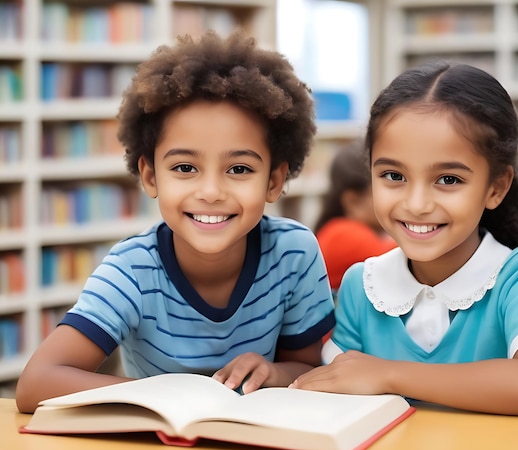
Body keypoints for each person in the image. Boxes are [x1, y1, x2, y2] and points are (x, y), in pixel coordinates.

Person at [15, 31, 335, 413]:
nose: (211, 192)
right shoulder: (132, 269)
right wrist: (170, 397)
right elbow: (37, 383)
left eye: (239, 168)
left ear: (274, 180)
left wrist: (274, 372)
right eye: (185, 168)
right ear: (150, 177)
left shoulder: (294, 253)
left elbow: (305, 366)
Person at [290, 61, 518, 417]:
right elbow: (333, 389)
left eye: (448, 180)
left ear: (496, 187)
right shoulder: (362, 286)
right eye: (393, 175)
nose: (417, 204)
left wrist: (389, 374)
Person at [314, 138, 396, 292]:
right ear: (353, 201)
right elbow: (419, 261)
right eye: (391, 184)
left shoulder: (337, 229)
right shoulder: (344, 235)